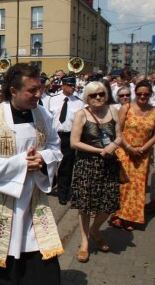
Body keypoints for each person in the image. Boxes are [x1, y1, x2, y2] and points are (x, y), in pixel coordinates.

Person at [0, 63, 63, 284]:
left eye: (39, 88)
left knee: (41, 273)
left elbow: (55, 147)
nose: (38, 94)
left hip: (32, 205)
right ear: (13, 91)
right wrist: (22, 163)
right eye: (32, 90)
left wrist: (44, 159)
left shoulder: (42, 115)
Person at [70, 81, 122, 263]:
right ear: (87, 97)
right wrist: (99, 150)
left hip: (109, 165)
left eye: (101, 94)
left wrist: (113, 146)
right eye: (93, 95)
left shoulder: (113, 111)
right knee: (85, 205)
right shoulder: (81, 114)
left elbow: (120, 136)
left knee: (110, 202)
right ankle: (85, 242)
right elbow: (74, 142)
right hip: (87, 165)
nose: (98, 97)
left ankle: (94, 230)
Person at [111, 80, 155, 231]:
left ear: (150, 95)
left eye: (146, 94)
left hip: (143, 154)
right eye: (139, 94)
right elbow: (118, 131)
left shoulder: (154, 111)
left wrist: (143, 148)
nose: (142, 97)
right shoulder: (126, 108)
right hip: (125, 150)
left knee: (138, 187)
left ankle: (131, 218)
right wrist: (129, 147)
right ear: (135, 93)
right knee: (124, 185)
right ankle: (118, 215)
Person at [47, 76, 84, 205]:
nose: (72, 87)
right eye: (69, 85)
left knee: (66, 166)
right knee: (51, 163)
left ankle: (63, 193)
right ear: (63, 85)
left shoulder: (79, 103)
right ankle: (50, 183)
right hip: (54, 135)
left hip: (69, 136)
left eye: (73, 85)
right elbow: (47, 118)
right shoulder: (52, 100)